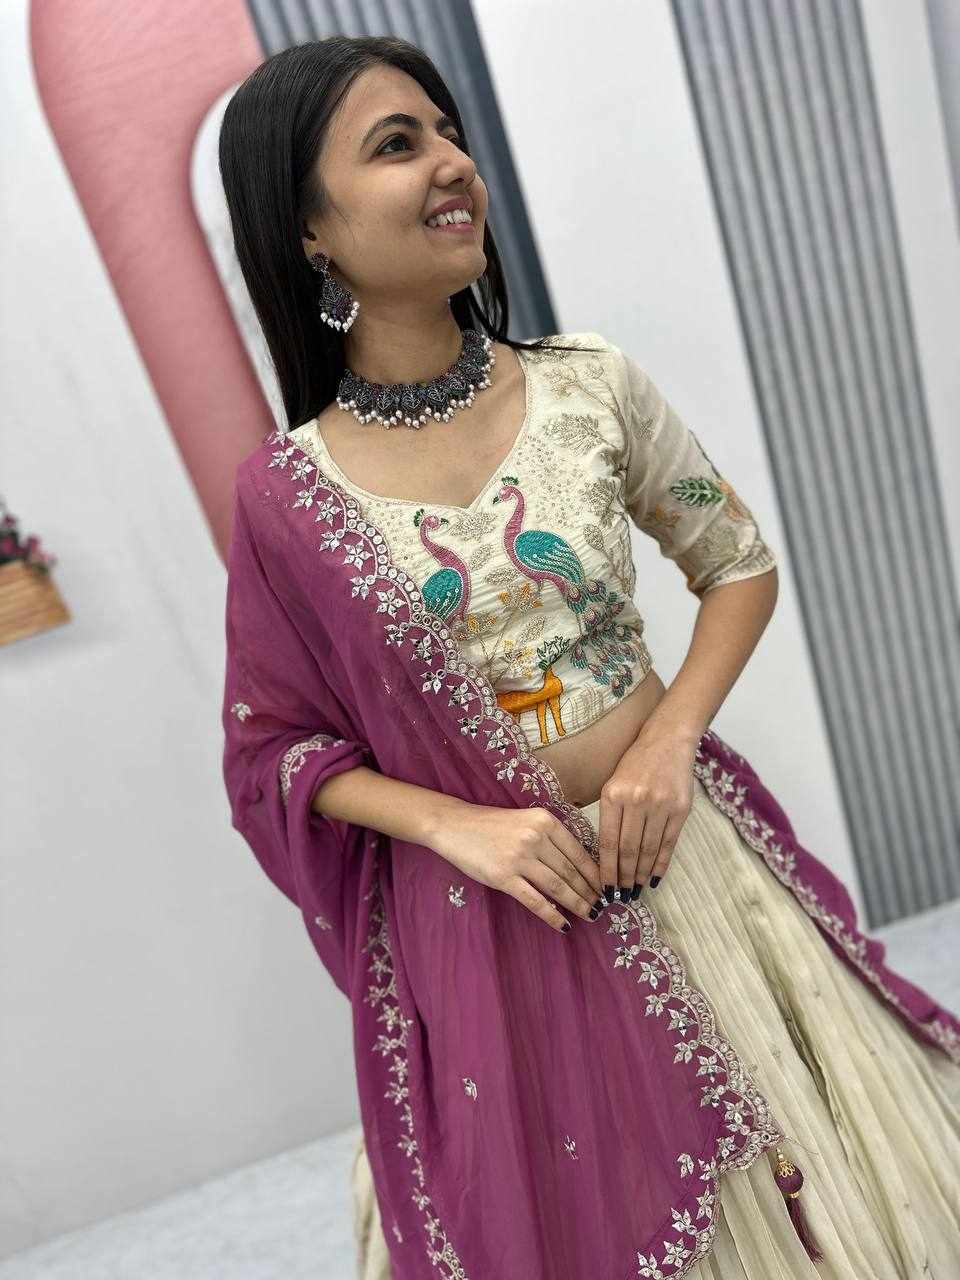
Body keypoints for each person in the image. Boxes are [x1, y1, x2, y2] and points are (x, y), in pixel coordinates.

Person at [218, 35, 960, 1280]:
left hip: (680, 855)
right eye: (398, 145)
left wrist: (669, 744)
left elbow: (737, 562)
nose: (452, 163)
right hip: (503, 918)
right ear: (309, 231)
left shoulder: (588, 385)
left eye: (448, 132)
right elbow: (273, 751)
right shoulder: (287, 498)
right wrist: (459, 825)